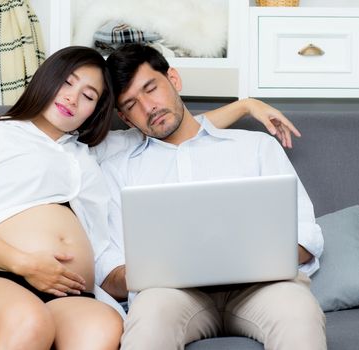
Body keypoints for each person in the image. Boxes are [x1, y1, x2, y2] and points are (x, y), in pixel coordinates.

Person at [0, 45, 300, 349]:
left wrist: (247, 105)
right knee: (28, 322)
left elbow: (172, 124)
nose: (72, 98)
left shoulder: (93, 151)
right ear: (46, 79)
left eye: (89, 95)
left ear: (97, 112)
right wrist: (26, 263)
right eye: (67, 82)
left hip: (68, 289)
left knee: (104, 329)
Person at [99, 43, 326, 350]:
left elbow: (306, 236)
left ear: (174, 80)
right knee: (148, 322)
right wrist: (161, 266)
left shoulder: (256, 147)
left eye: (151, 89)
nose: (148, 107)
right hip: (170, 295)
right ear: (125, 119)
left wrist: (249, 256)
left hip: (261, 289)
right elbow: (110, 272)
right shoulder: (118, 170)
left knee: (299, 312)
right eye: (131, 105)